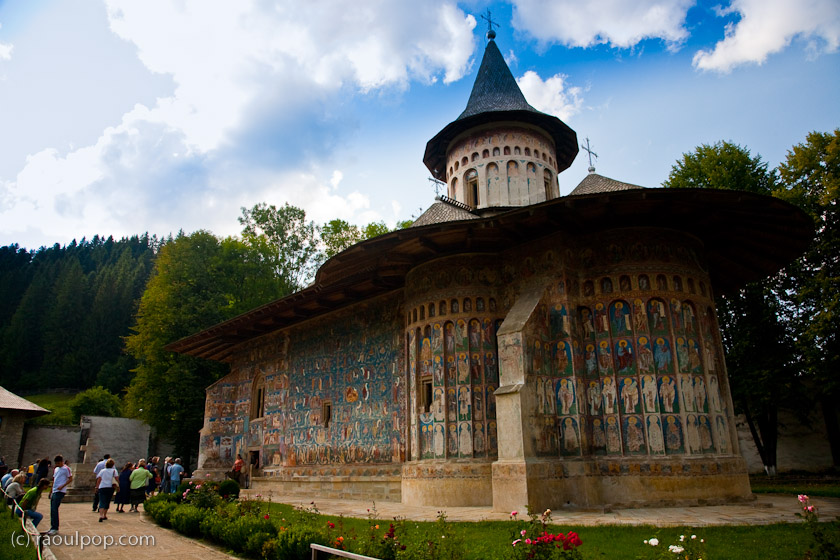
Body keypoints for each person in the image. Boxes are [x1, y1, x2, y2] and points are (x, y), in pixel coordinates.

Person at [48, 455, 72, 535]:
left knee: (54, 508)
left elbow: (70, 479)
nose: (57, 464)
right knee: (52, 509)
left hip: (60, 491)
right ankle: (53, 527)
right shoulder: (56, 469)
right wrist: (51, 491)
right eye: (56, 463)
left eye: (58, 463)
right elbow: (54, 479)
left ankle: (55, 528)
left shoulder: (66, 469)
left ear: (62, 461)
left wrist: (62, 486)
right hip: (55, 490)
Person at [95, 458, 118, 522]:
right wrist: (118, 486)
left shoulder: (102, 471)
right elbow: (117, 479)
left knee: (102, 500)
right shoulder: (114, 471)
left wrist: (97, 487)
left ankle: (101, 515)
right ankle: (104, 514)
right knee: (107, 501)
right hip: (110, 487)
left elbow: (99, 479)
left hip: (102, 487)